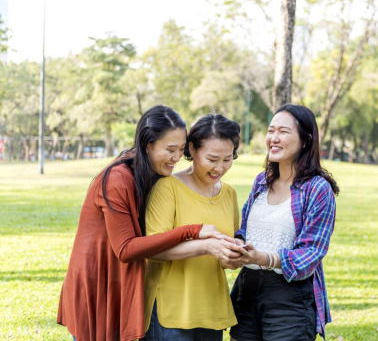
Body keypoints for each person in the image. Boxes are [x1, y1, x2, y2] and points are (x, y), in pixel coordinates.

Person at [57, 105, 232, 341]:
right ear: (148, 145)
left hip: (125, 278)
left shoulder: (155, 175)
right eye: (170, 149)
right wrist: (193, 231)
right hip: (99, 279)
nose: (177, 157)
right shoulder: (117, 180)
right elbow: (126, 249)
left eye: (181, 149)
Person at [227, 104, 339, 341]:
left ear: (306, 140)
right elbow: (245, 229)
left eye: (283, 132)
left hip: (289, 294)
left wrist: (264, 258)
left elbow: (312, 252)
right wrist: (237, 246)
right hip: (247, 289)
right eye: (271, 130)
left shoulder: (318, 189)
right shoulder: (261, 181)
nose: (273, 139)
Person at [143, 114, 243, 341]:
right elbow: (153, 249)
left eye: (227, 159)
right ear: (192, 149)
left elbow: (225, 246)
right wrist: (206, 247)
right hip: (171, 311)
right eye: (212, 158)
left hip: (211, 309)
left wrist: (233, 253)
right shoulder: (168, 187)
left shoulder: (229, 194)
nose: (220, 168)